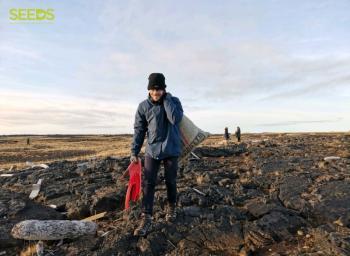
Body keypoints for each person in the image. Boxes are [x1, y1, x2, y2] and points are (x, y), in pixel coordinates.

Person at [130, 73, 184, 237]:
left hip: (171, 150)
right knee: (148, 183)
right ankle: (146, 217)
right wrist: (134, 151)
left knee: (171, 181)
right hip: (152, 151)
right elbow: (139, 131)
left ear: (164, 89)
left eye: (159, 89)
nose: (156, 93)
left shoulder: (174, 102)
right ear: (148, 90)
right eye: (153, 90)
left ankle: (172, 207)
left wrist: (167, 99)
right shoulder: (143, 107)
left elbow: (175, 119)